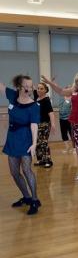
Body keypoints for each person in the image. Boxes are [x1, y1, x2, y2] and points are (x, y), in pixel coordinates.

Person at [41, 72, 78, 184]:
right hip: (75, 123)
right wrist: (49, 83)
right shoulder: (74, 91)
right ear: (76, 82)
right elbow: (61, 91)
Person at [0, 75, 41, 215]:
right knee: (14, 172)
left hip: (26, 138)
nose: (29, 89)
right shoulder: (12, 95)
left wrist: (34, 144)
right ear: (19, 86)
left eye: (31, 87)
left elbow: (34, 125)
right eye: (26, 87)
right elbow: (1, 86)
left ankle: (35, 200)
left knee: (26, 170)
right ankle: (27, 197)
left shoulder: (34, 105)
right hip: (12, 138)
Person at [33, 82, 55, 168]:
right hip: (36, 124)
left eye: (41, 88)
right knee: (37, 142)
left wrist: (53, 124)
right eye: (38, 88)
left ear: (45, 90)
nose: (39, 90)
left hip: (45, 124)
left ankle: (48, 161)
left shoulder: (46, 100)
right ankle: (41, 160)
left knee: (43, 142)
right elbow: (33, 87)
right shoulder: (36, 97)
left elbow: (51, 113)